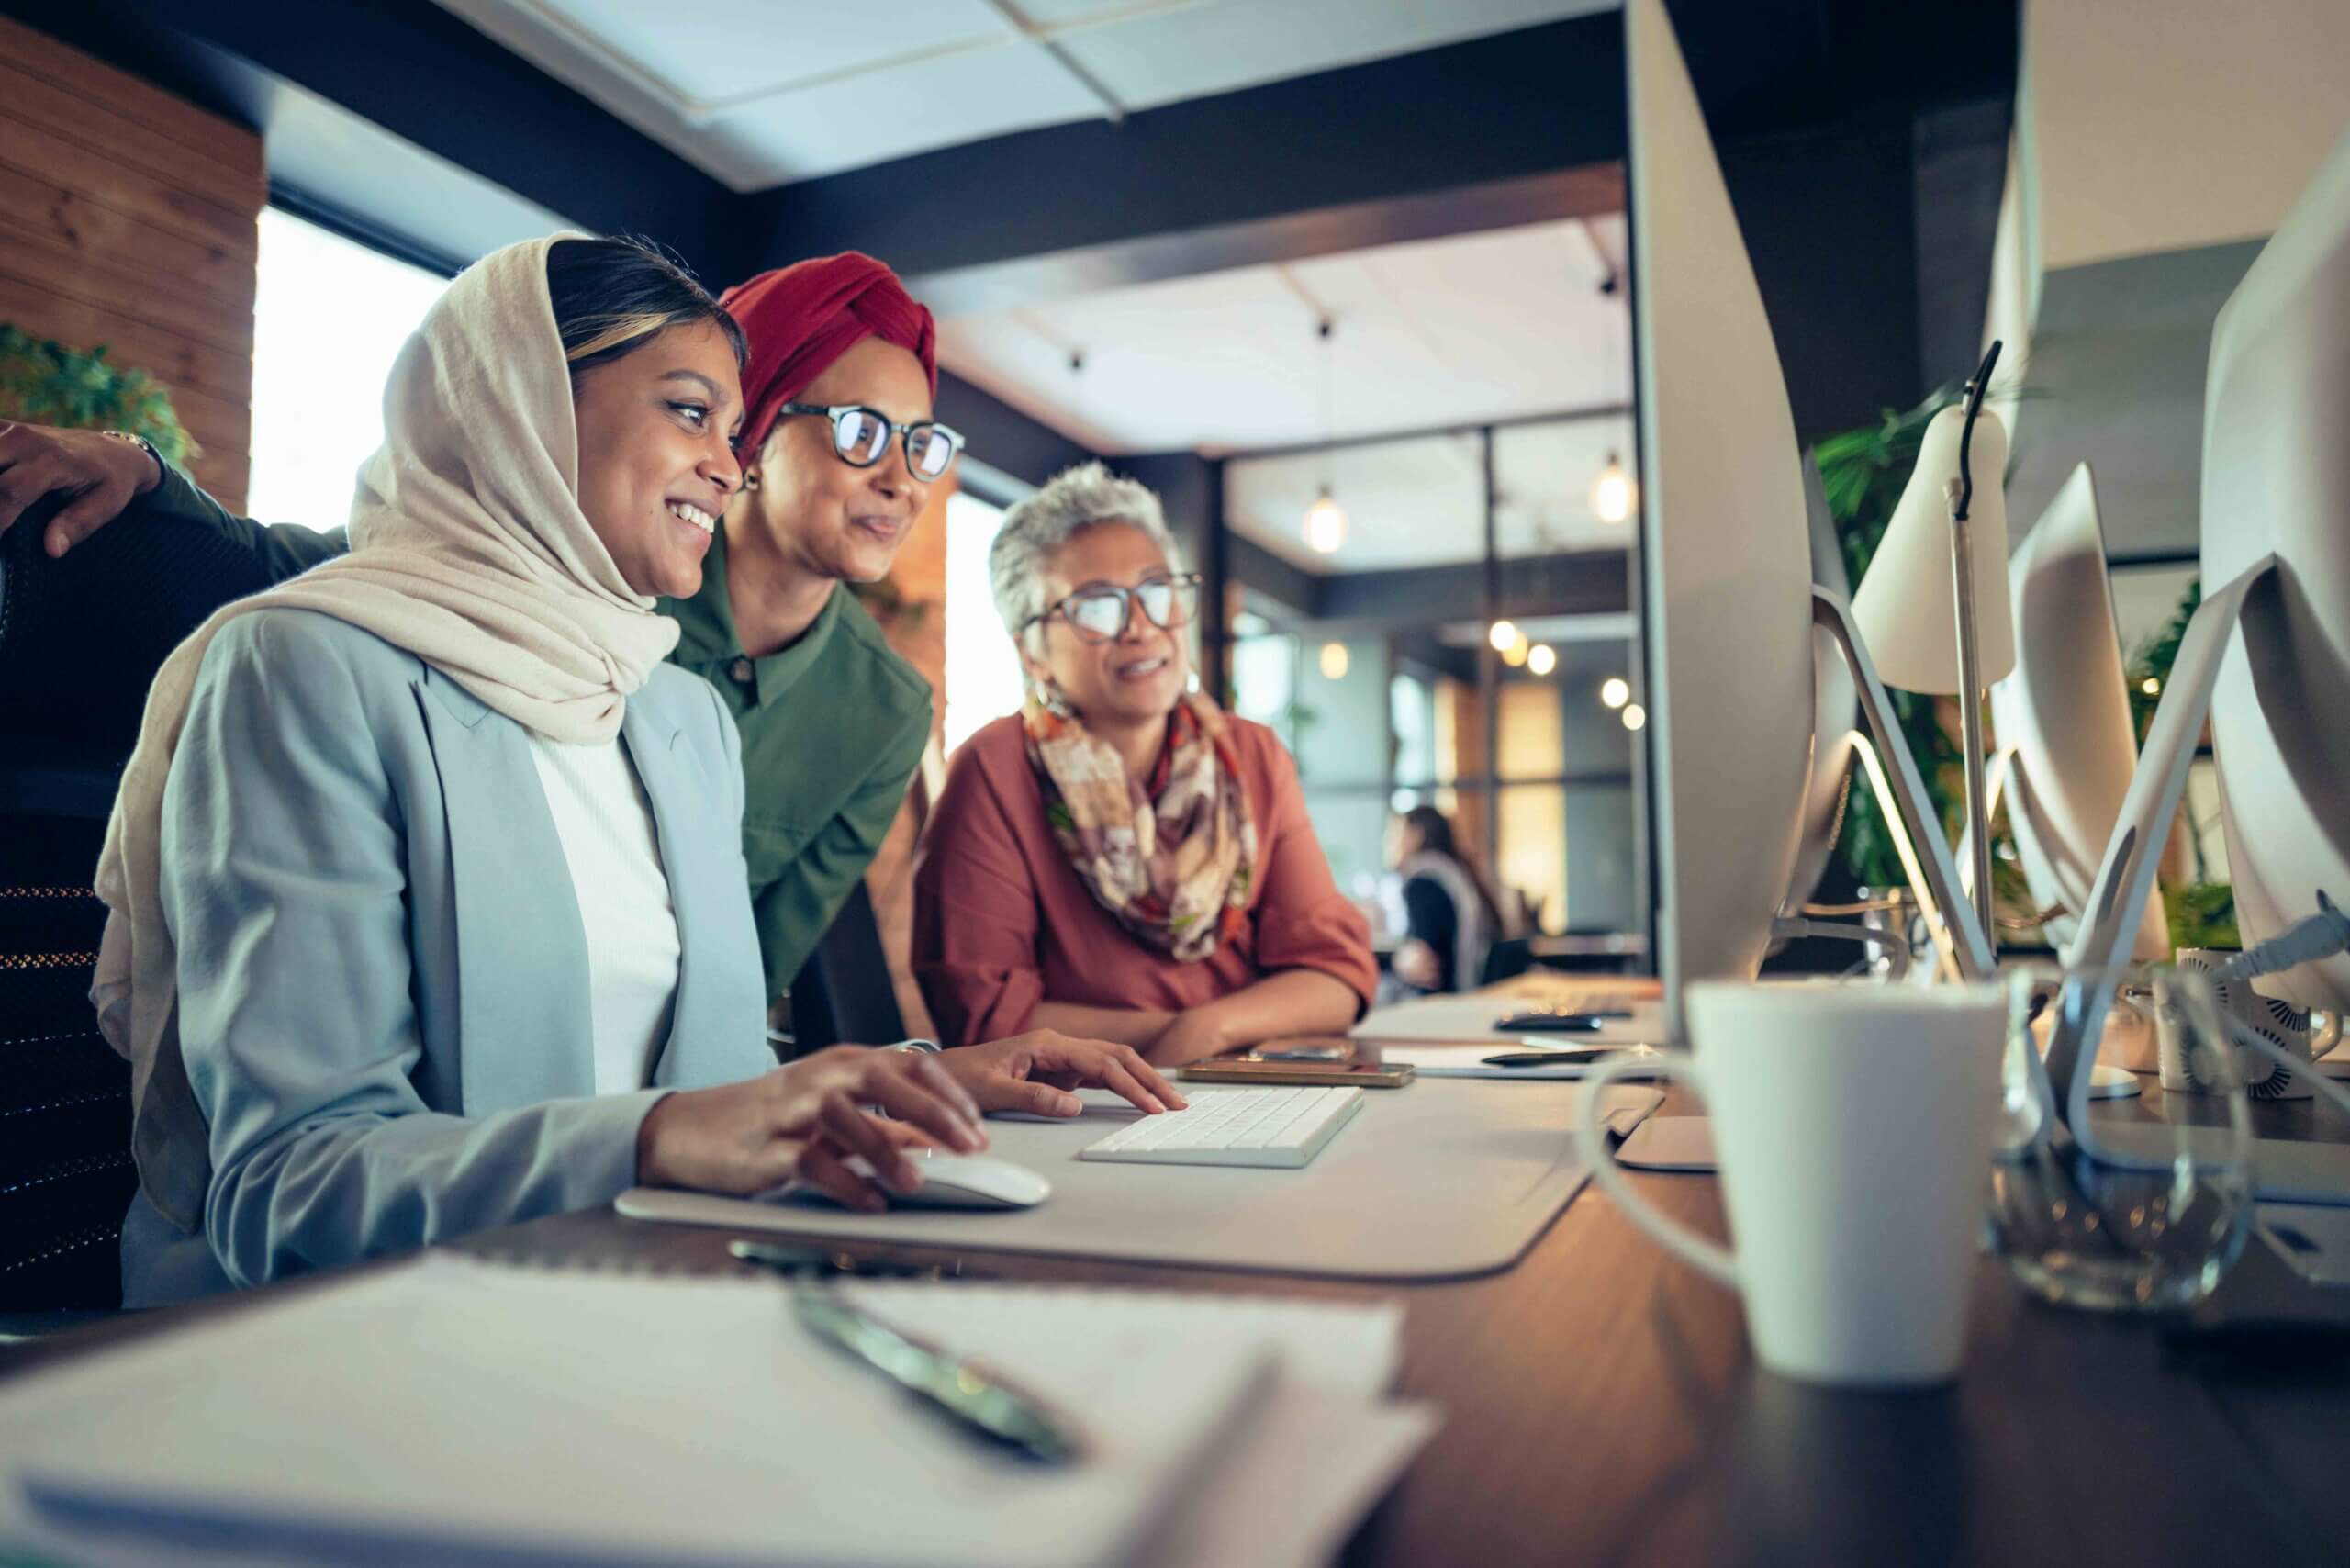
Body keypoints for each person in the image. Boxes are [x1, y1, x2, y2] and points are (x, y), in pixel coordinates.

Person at [92, 236, 1175, 1306]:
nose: (728, 461)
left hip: (655, 1289)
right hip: (388, 1338)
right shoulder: (303, 669)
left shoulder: (674, 713)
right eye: (691, 412)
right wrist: (654, 1140)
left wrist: (925, 1079)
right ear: (525, 408)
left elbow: (715, 1080)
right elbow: (287, 1184)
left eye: (735, 426)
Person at [0, 252, 952, 1010]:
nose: (902, 478)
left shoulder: (868, 710)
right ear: (761, 440)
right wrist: (142, 471)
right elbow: (338, 578)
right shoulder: (568, 559)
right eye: (864, 432)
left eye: (923, 445)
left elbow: (735, 983)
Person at [913, 463, 1377, 1066]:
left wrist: (1207, 1031)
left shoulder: (1253, 757)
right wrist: (1205, 1034)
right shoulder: (995, 769)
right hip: (1077, 1116)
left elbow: (1334, 977)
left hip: (1252, 1095)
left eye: (1157, 592)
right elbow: (988, 1022)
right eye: (1096, 606)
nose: (1141, 627)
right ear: (1033, 651)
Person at [1385, 804, 1508, 994]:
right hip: (1472, 989)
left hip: (1442, 1000)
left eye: (1395, 835)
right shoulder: (1457, 873)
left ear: (1416, 835)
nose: (1389, 842)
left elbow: (1422, 961)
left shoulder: (1423, 881)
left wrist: (1398, 962)